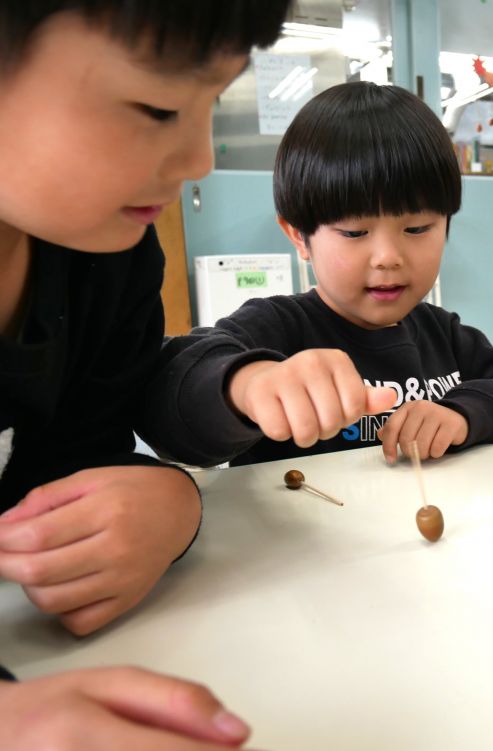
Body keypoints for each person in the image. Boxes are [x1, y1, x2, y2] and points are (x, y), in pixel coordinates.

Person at [0, 1, 292, 748]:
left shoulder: (107, 258)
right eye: (159, 106)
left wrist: (171, 502)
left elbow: (84, 458)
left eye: (214, 103)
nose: (201, 159)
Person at [140, 82, 493, 468]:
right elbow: (171, 392)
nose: (388, 257)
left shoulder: (443, 333)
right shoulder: (278, 327)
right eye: (355, 232)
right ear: (299, 236)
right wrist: (247, 386)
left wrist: (462, 413)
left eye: (417, 229)